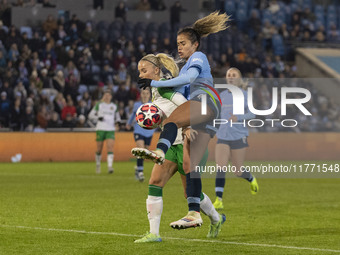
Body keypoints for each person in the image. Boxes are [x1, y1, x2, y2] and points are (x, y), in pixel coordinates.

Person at [133, 11, 230, 229]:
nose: (179, 47)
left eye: (183, 43)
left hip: (206, 101)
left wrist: (155, 84)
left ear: (195, 44)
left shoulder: (198, 57)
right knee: (189, 164)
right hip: (203, 111)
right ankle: (197, 214)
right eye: (178, 43)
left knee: (171, 123)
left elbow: (189, 79)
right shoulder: (186, 65)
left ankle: (159, 151)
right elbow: (182, 88)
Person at [213, 68, 259, 210]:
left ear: (239, 79)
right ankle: (218, 199)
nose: (231, 77)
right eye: (228, 75)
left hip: (239, 135)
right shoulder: (221, 96)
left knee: (237, 171)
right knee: (220, 166)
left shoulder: (245, 95)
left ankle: (251, 179)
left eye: (234, 75)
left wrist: (238, 117)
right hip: (223, 135)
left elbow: (252, 114)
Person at [126, 88, 156, 182]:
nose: (145, 95)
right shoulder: (137, 105)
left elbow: (158, 116)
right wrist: (128, 123)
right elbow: (133, 115)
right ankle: (140, 172)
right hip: (138, 130)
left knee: (145, 151)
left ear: (149, 95)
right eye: (143, 93)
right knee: (141, 149)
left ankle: (137, 168)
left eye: (147, 93)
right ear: (141, 94)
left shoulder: (153, 105)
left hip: (149, 131)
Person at [88, 90, 120, 174]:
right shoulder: (99, 105)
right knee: (99, 149)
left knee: (110, 147)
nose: (107, 96)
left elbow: (118, 118)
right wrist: (98, 117)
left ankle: (110, 166)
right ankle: (98, 164)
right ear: (103, 96)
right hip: (100, 128)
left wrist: (117, 124)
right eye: (105, 95)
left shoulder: (114, 106)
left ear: (111, 97)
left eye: (108, 95)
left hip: (110, 129)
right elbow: (90, 115)